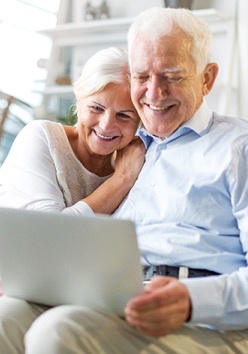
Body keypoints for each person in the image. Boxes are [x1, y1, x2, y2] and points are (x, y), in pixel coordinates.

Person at [1, 6, 248, 354]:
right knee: (6, 316)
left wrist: (193, 300)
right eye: (141, 76)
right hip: (117, 301)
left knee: (57, 332)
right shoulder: (128, 150)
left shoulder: (238, 147)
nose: (154, 92)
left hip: (203, 319)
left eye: (172, 76)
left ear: (207, 78)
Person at [0, 47, 145, 353]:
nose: (107, 126)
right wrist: (121, 181)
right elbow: (46, 240)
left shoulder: (140, 159)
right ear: (78, 99)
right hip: (26, 287)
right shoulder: (39, 138)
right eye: (96, 108)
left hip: (92, 298)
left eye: (124, 115)